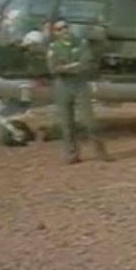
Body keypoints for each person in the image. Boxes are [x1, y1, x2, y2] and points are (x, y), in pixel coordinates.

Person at [46, 18, 113, 164]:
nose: (64, 31)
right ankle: (72, 154)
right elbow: (53, 69)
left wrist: (66, 67)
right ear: (55, 33)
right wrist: (72, 66)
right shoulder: (54, 47)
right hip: (62, 86)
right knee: (67, 123)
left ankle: (101, 152)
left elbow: (86, 64)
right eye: (59, 29)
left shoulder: (81, 44)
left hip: (80, 85)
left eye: (65, 27)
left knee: (89, 122)